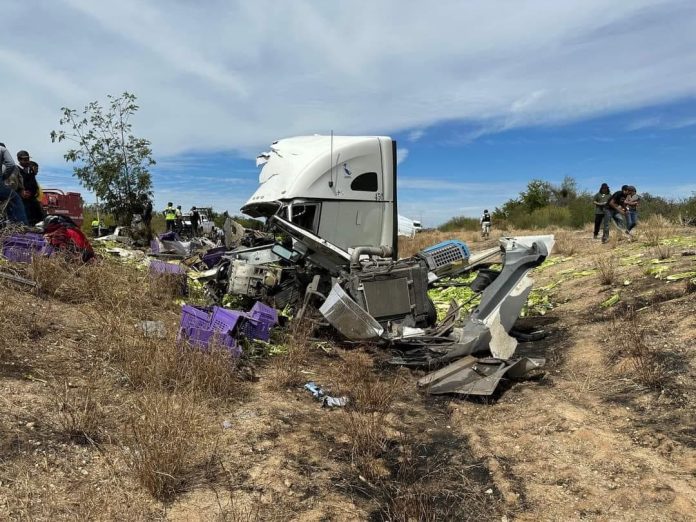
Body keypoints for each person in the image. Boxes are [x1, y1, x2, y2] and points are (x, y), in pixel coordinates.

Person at [0, 142, 29, 225]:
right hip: (6, 192)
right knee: (15, 202)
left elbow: (20, 179)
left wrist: (22, 189)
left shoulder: (16, 168)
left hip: (10, 191)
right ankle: (23, 225)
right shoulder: (6, 164)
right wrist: (3, 178)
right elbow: (11, 164)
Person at [17, 152, 45, 226]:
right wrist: (20, 192)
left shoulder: (30, 171)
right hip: (22, 201)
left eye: (28, 159)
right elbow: (14, 184)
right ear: (19, 160)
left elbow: (34, 186)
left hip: (32, 200)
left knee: (39, 220)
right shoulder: (16, 170)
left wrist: (31, 193)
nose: (27, 161)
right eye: (25, 159)